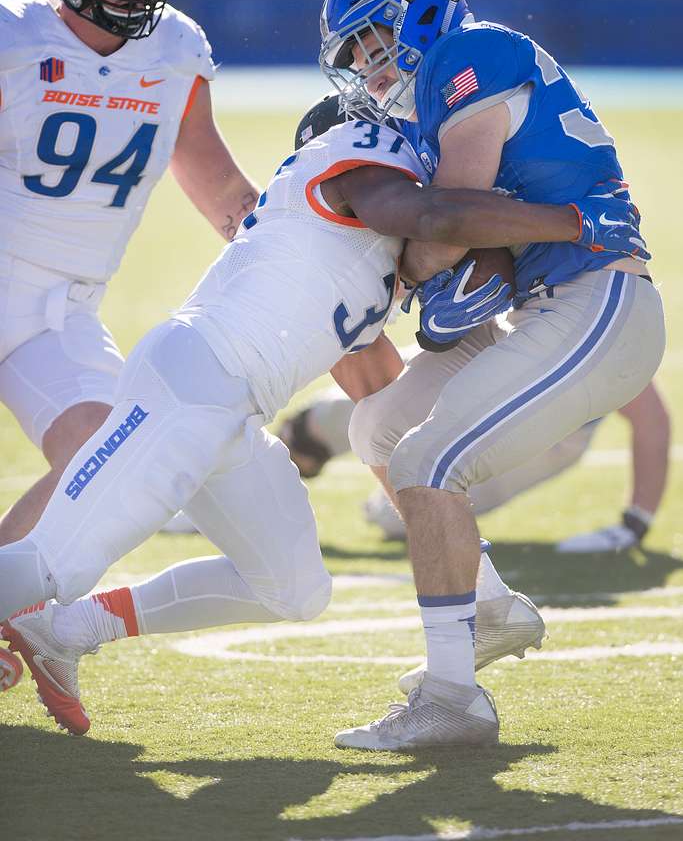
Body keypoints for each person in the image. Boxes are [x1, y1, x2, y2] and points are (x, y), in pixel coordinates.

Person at [0, 102, 636, 736]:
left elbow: (386, 414)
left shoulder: (356, 271)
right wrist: (569, 221)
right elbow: (425, 212)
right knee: (51, 565)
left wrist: (480, 576)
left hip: (230, 416)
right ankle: (51, 606)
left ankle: (66, 630)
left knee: (293, 588)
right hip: (189, 385)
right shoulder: (358, 158)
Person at [318, 0, 665, 750]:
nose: (366, 68)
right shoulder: (440, 87)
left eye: (372, 42)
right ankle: (493, 606)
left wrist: (406, 272)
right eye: (355, 54)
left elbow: (453, 216)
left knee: (425, 465)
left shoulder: (468, 54)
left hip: (593, 297)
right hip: (543, 304)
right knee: (375, 430)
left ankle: (452, 699)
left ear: (419, 18)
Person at [0, 0, 258, 556]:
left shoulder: (175, 48)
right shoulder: (14, 43)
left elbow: (219, 184)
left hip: (62, 309)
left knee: (106, 458)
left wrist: (297, 252)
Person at [280, 379, 670, 552]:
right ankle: (302, 438)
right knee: (349, 413)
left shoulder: (594, 289)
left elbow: (650, 414)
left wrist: (634, 523)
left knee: (400, 515)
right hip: (484, 354)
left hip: (546, 432)